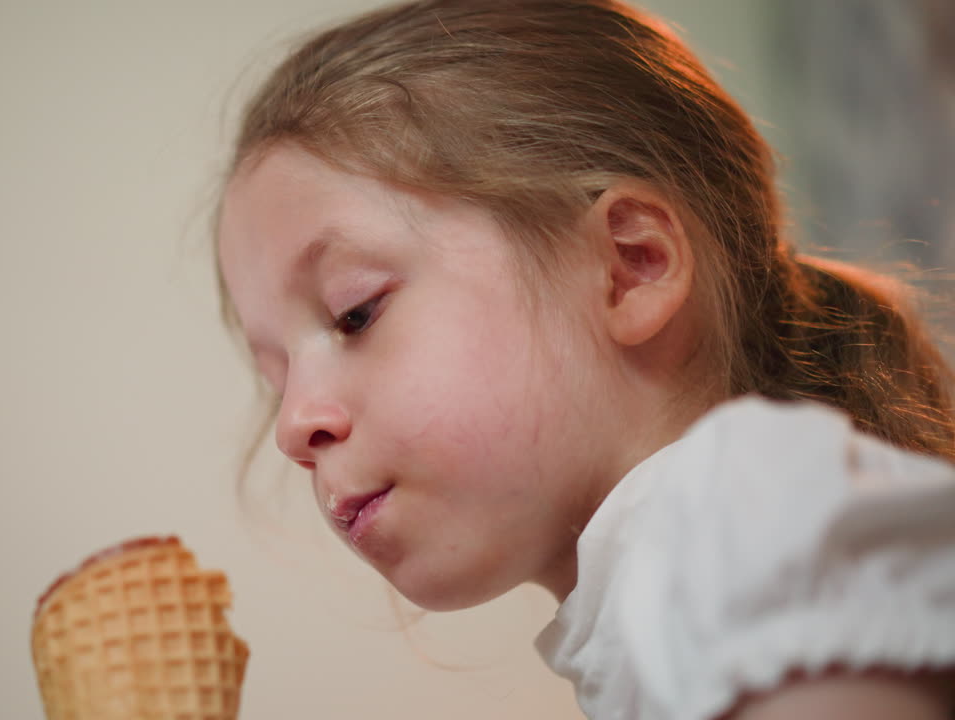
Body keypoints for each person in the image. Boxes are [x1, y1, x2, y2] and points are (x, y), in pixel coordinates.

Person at [211, 1, 955, 717]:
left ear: (630, 266)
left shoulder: (737, 515)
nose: (293, 426)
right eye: (275, 379)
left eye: (355, 313)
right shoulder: (677, 581)